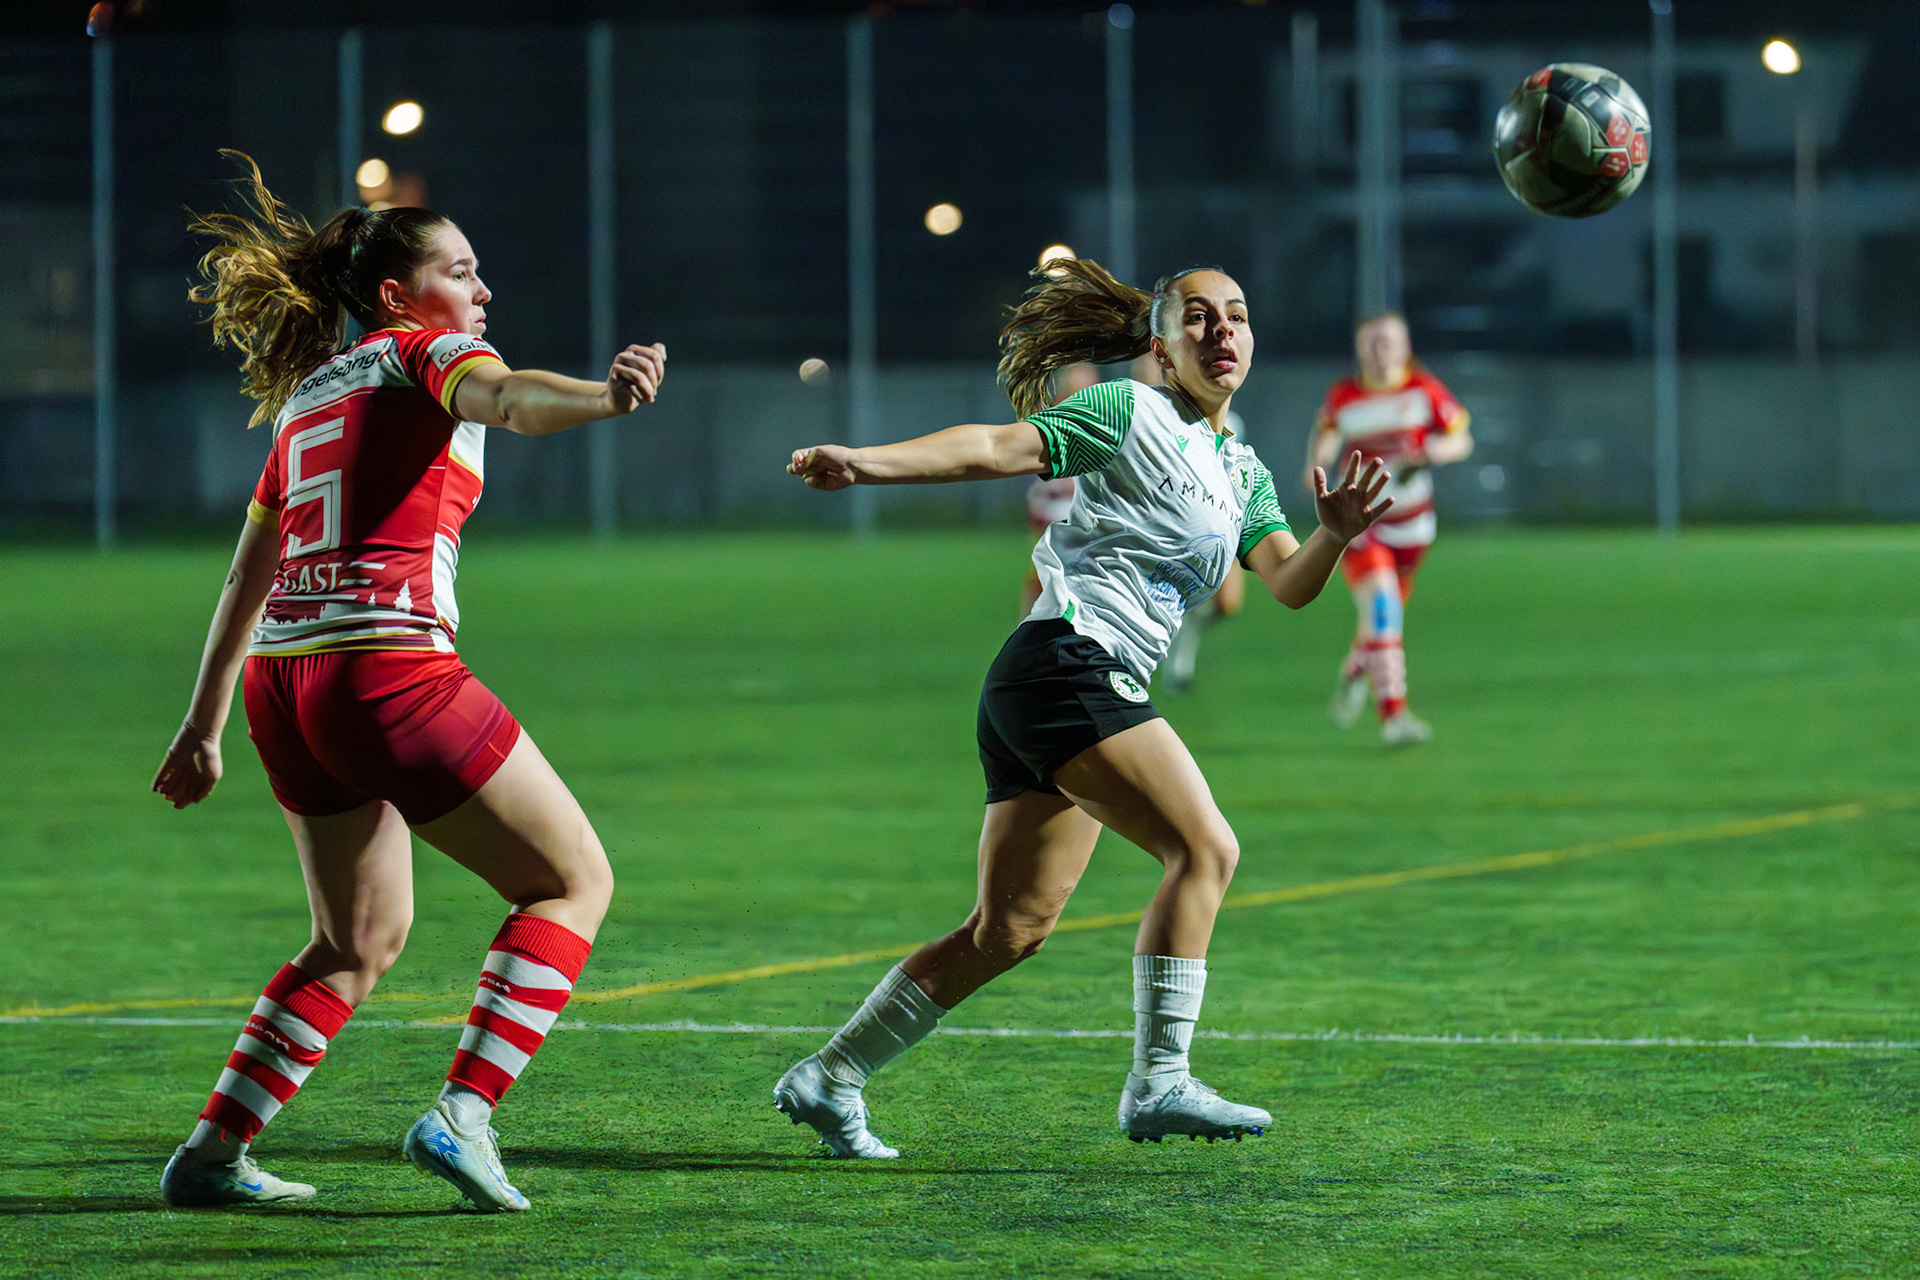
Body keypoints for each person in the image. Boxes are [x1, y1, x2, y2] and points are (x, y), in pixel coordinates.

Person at [778, 259, 1390, 1156]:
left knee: (1009, 931)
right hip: (1067, 663)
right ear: (1161, 345)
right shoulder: (1129, 411)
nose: (1223, 332)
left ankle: (832, 1076)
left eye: (1238, 316)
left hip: (1061, 685)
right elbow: (997, 447)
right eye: (1198, 318)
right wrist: (863, 464)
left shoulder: (1240, 469)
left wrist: (1334, 535)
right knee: (1205, 847)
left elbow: (1289, 584)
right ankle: (1160, 1082)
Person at [151, 153, 666, 1211]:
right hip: (384, 670)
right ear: (397, 295)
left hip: (283, 687)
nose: (483, 293)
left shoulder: (307, 396)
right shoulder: (425, 354)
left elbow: (250, 569)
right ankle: (463, 1114)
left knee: (355, 939)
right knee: (571, 881)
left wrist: (202, 723)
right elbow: (515, 401)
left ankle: (209, 1156)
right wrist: (607, 400)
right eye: (464, 271)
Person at [1307, 313, 1472, 745]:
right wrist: (1317, 470)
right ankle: (1394, 717)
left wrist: (1436, 449)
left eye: (1389, 341)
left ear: (1405, 346)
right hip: (1364, 525)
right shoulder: (1344, 395)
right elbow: (1324, 439)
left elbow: (1461, 437)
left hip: (1414, 528)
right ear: (1361, 348)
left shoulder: (1423, 390)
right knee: (1383, 609)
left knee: (1383, 619)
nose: (1381, 350)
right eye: (1372, 342)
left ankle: (1354, 672)